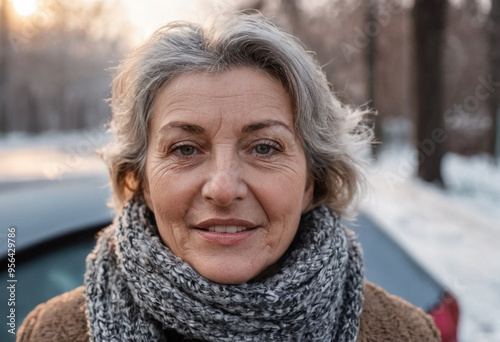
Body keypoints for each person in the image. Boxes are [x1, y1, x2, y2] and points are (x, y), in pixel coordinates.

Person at [17, 12, 440, 342]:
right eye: (185, 149)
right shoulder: (51, 332)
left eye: (264, 148)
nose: (222, 188)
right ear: (139, 178)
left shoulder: (407, 333)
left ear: (314, 178)